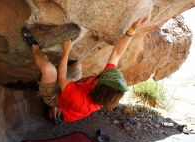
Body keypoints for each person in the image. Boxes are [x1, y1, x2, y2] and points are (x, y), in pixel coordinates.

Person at [21, 11, 151, 123]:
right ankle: (59, 107)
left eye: (100, 79)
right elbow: (117, 54)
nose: (101, 76)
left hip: (55, 96)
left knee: (49, 70)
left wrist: (66, 52)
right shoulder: (107, 84)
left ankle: (34, 46)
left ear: (99, 88)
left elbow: (60, 78)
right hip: (71, 91)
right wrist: (132, 29)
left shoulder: (82, 102)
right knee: (77, 65)